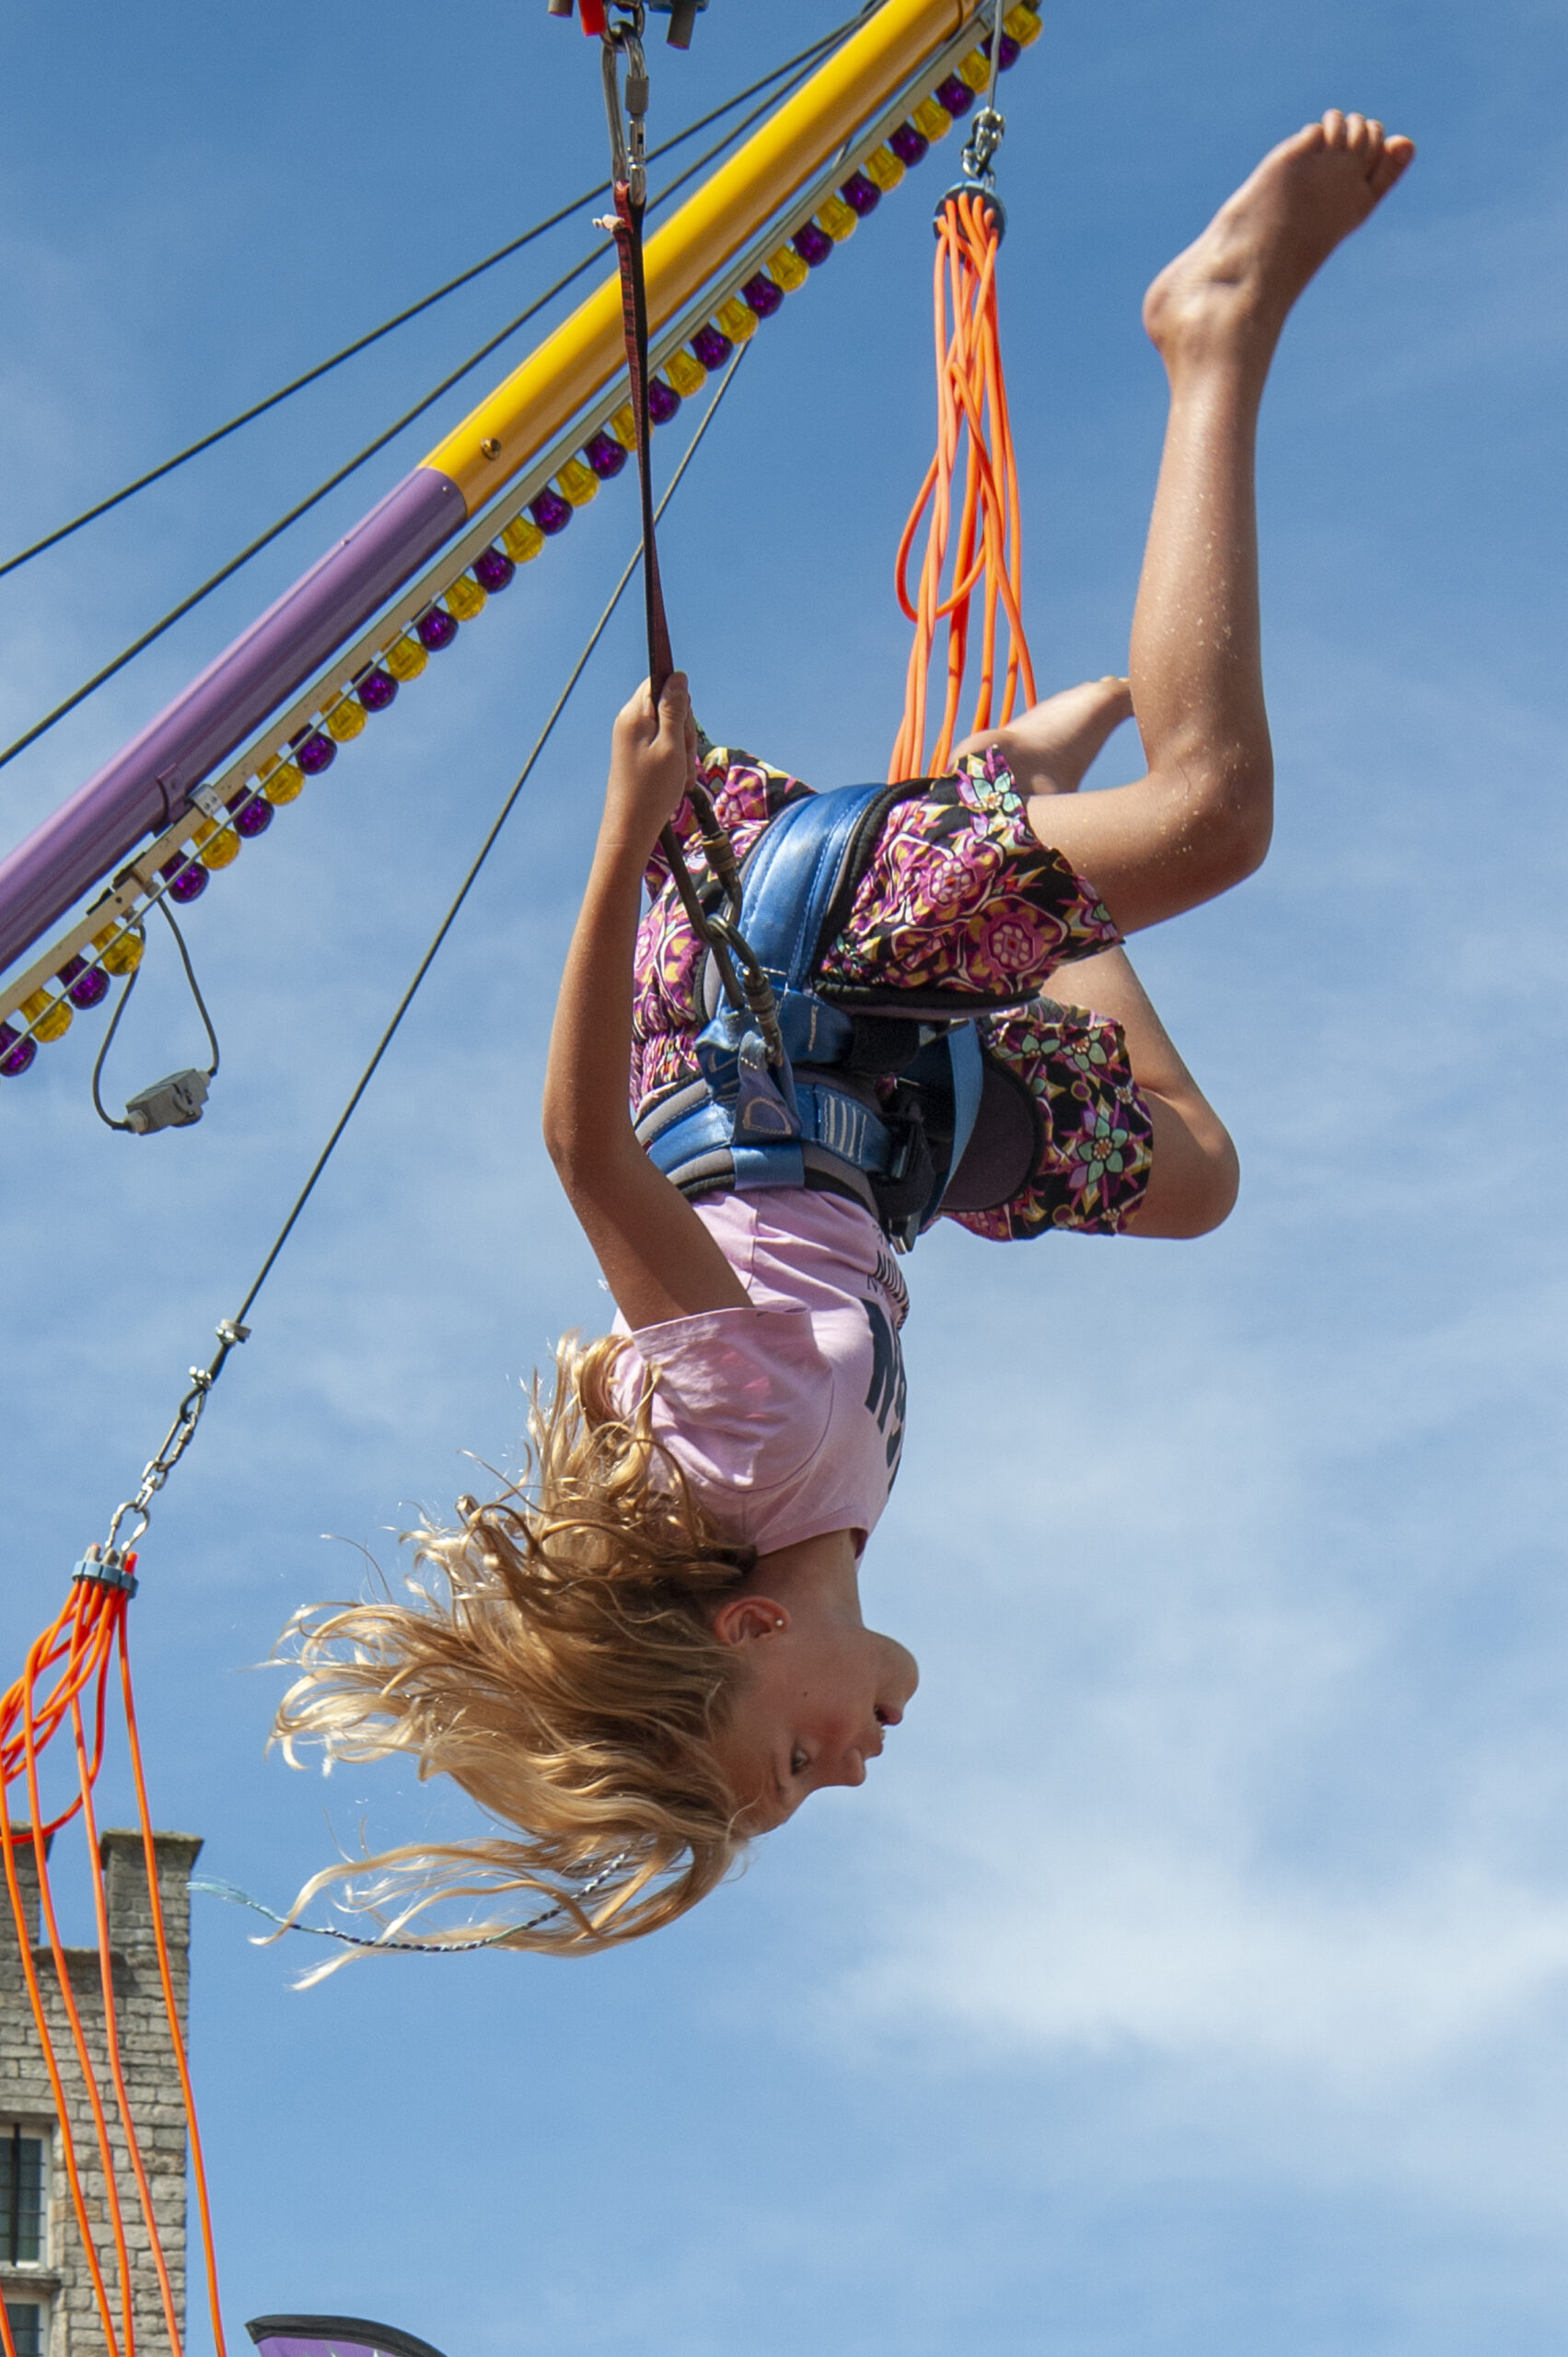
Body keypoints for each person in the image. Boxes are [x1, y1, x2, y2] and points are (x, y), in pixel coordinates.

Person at [275, 112, 1415, 1954]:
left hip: (789, 984)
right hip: (888, 1114)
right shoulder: (832, 1509)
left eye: (791, 1764)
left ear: (745, 1631)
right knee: (1191, 1178)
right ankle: (1000, 803)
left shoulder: (731, 1451)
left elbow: (584, 1150)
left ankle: (1215, 327)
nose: (850, 1773)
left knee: (1211, 819)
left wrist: (627, 827)